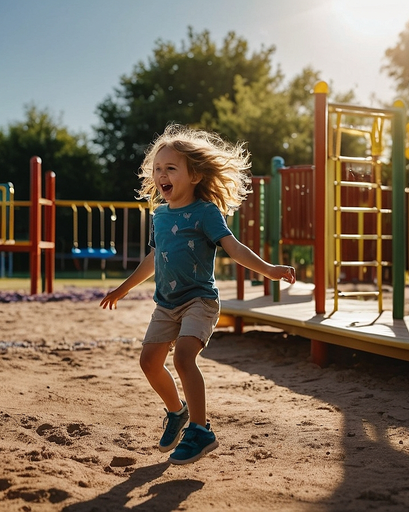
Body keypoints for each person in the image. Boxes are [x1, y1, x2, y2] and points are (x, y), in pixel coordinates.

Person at [100, 124, 296, 465]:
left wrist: (271, 270)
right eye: (158, 169)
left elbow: (234, 248)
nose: (162, 175)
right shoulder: (159, 215)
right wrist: (123, 288)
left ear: (195, 175)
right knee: (148, 362)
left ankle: (201, 429)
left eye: (171, 168)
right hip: (166, 304)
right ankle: (176, 412)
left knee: (183, 357)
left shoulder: (206, 212)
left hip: (199, 301)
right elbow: (152, 259)